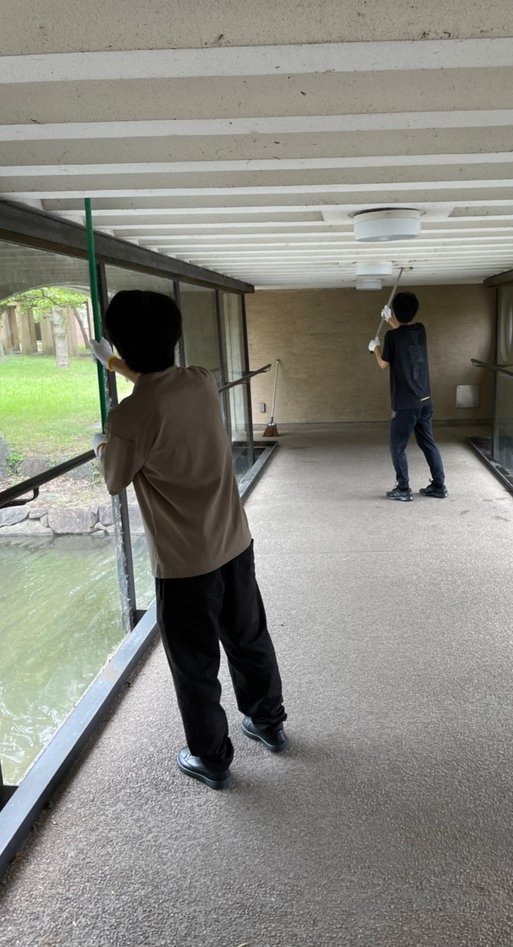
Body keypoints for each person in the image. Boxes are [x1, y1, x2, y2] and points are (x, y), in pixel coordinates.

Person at [90, 290, 287, 791]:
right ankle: (269, 723)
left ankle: (212, 759)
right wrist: (114, 363)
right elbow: (157, 381)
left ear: (120, 342)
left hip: (184, 566)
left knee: (195, 664)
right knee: (248, 638)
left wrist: (100, 443)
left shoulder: (128, 418)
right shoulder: (201, 381)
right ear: (175, 338)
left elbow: (114, 478)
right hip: (234, 543)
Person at [369, 291, 447, 502]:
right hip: (425, 400)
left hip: (405, 404)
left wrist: (375, 348)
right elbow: (403, 333)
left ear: (395, 311)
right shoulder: (420, 330)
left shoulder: (391, 337)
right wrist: (390, 320)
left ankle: (403, 489)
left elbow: (383, 364)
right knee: (428, 442)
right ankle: (439, 486)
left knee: (397, 446)